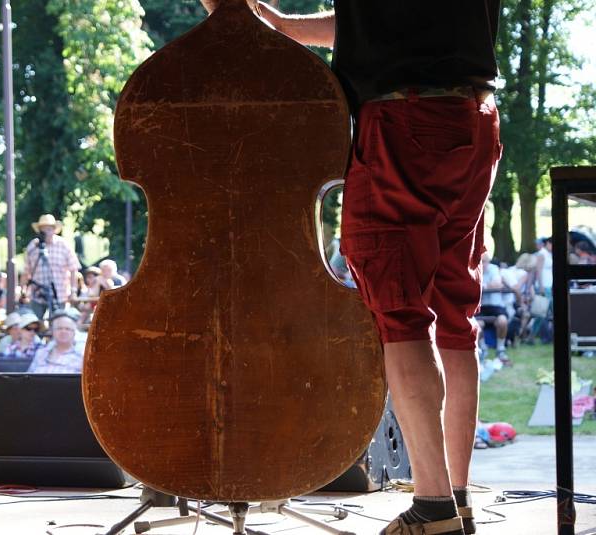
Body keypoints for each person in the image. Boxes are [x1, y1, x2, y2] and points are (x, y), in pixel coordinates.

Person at [200, 1, 502, 533]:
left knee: (399, 314)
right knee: (455, 316)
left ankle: (433, 509)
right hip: (473, 119)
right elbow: (373, 19)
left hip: (400, 125)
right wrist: (286, 25)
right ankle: (456, 496)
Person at [21, 214, 82, 319]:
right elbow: (26, 271)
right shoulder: (33, 246)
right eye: (43, 228)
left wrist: (73, 291)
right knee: (34, 322)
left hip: (59, 293)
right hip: (37, 293)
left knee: (58, 322)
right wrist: (23, 290)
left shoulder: (63, 244)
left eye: (49, 228)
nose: (46, 231)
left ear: (54, 229)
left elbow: (73, 269)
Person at [476, 254, 510, 364]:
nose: (483, 264)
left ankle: (500, 349)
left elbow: (497, 284)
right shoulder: (473, 269)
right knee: (477, 325)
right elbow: (471, 286)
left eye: (485, 261)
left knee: (503, 321)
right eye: (480, 261)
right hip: (480, 306)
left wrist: (483, 286)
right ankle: (482, 348)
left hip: (495, 305)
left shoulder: (494, 269)